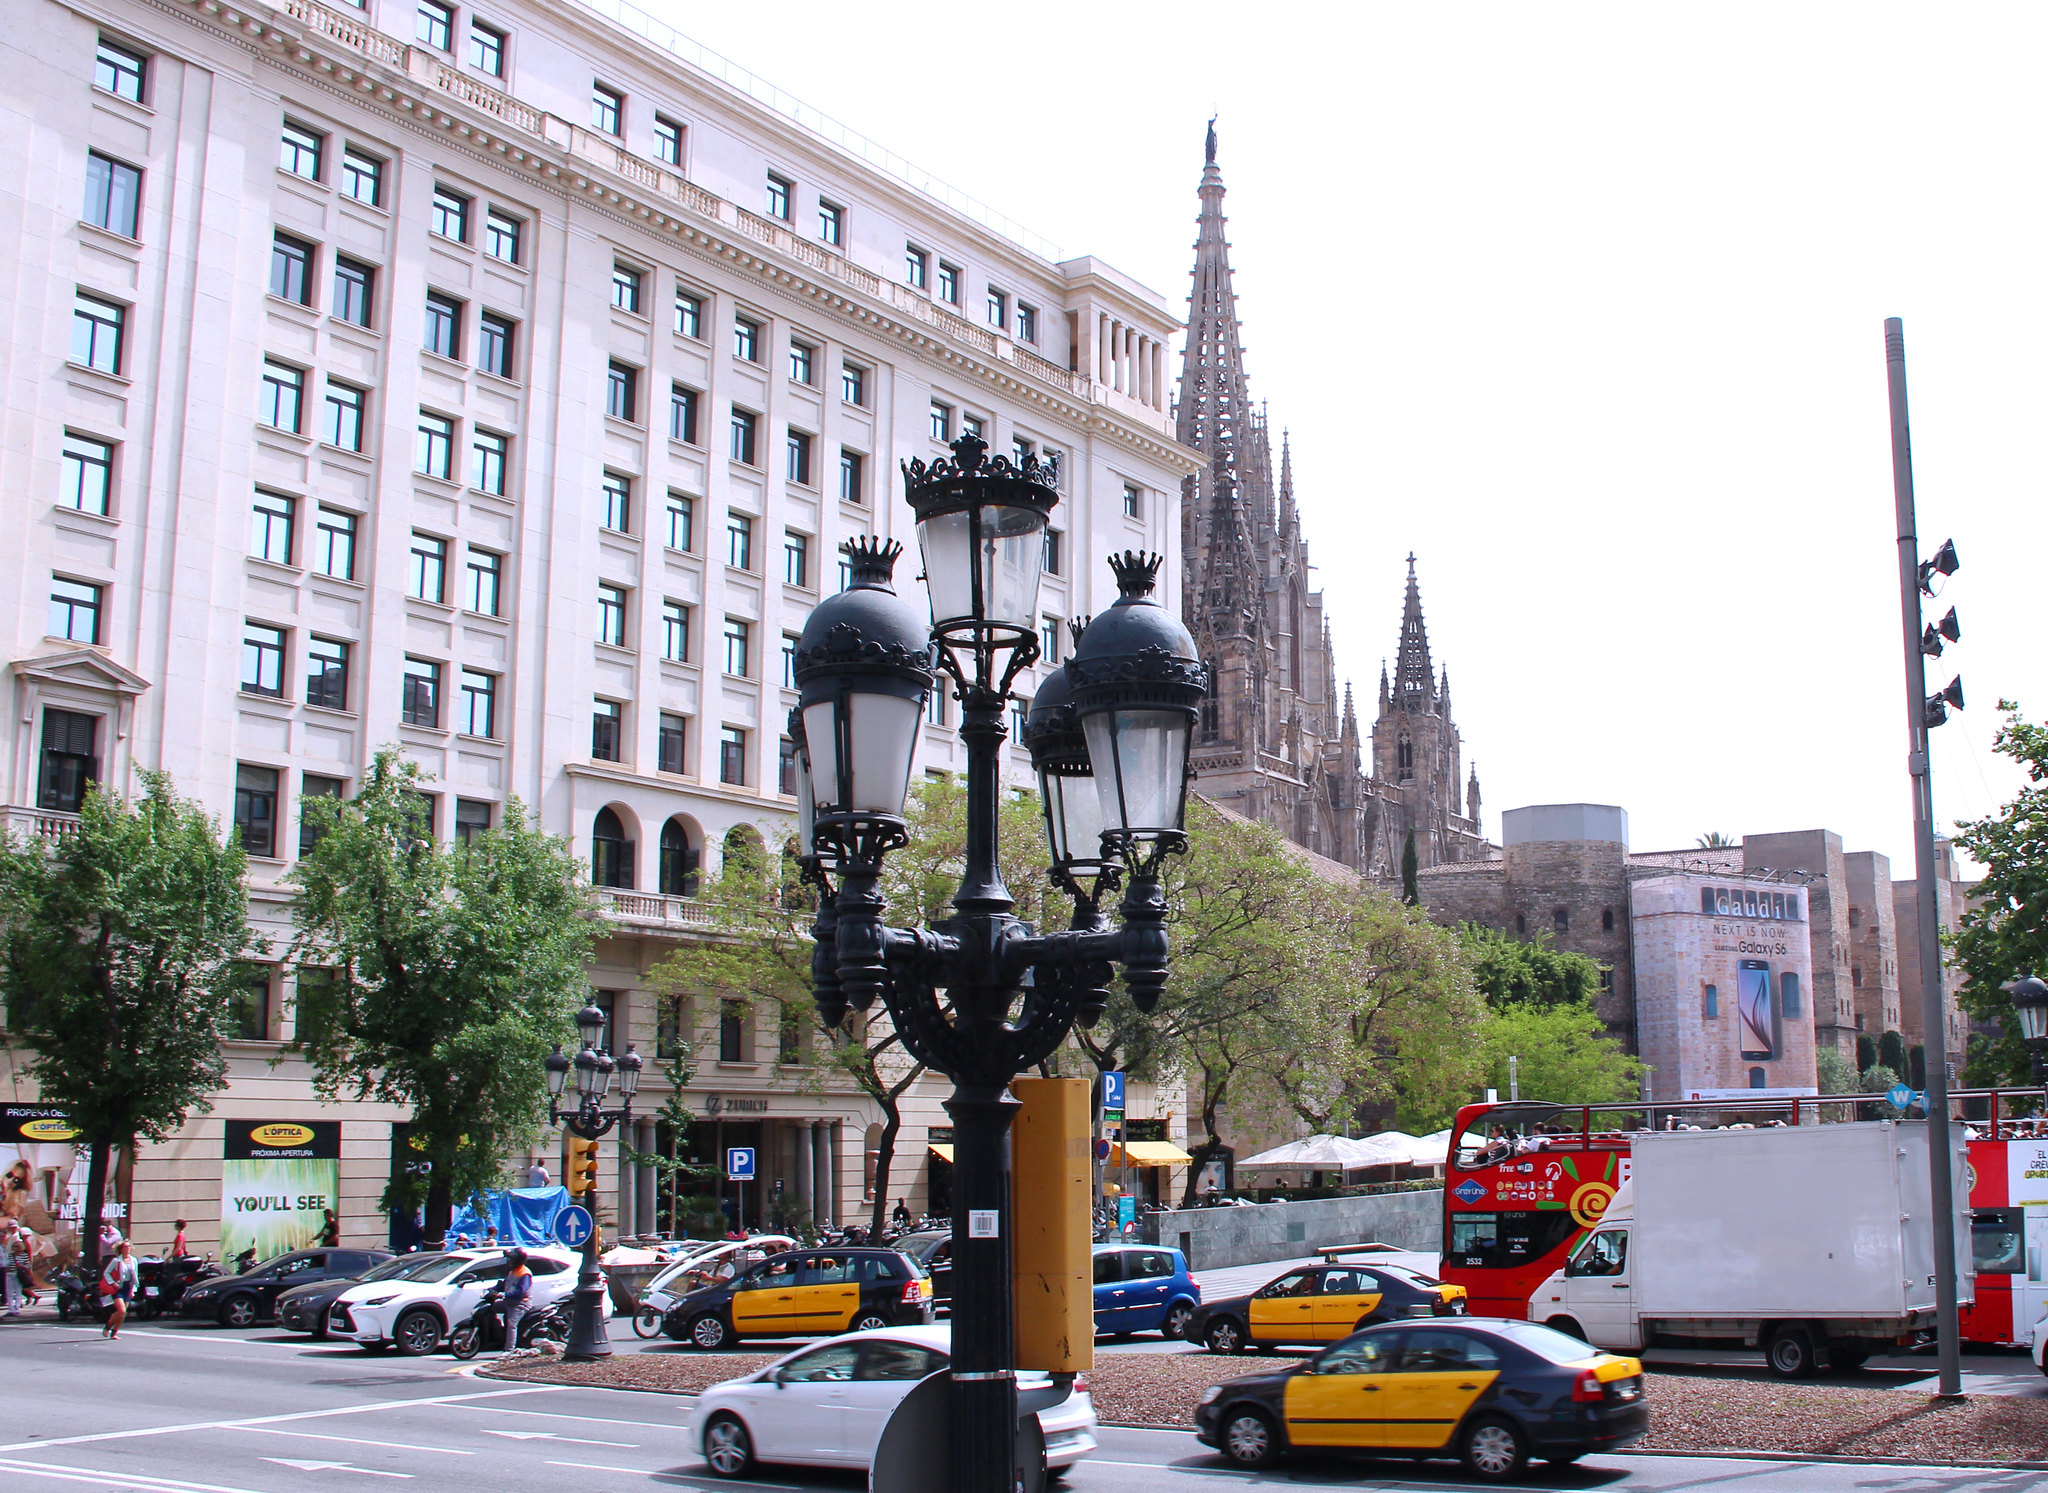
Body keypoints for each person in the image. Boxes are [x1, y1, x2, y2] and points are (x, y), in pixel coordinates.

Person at [102, 1240, 139, 1338]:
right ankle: (108, 1326)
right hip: (118, 1287)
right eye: (125, 1247)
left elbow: (135, 1276)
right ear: (121, 1249)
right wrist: (113, 1283)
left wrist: (133, 1290)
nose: (127, 1249)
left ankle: (114, 1332)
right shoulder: (116, 1261)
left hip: (128, 1287)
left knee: (123, 1314)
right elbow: (106, 1273)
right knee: (121, 1310)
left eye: (129, 1247)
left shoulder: (134, 1260)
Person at [499, 1248, 533, 1350]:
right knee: (492, 1308)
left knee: (511, 1325)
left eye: (511, 1259)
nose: (508, 1261)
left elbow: (520, 1292)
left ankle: (509, 1350)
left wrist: (504, 1295)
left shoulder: (524, 1273)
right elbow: (504, 1284)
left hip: (520, 1304)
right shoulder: (512, 1271)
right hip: (508, 1301)